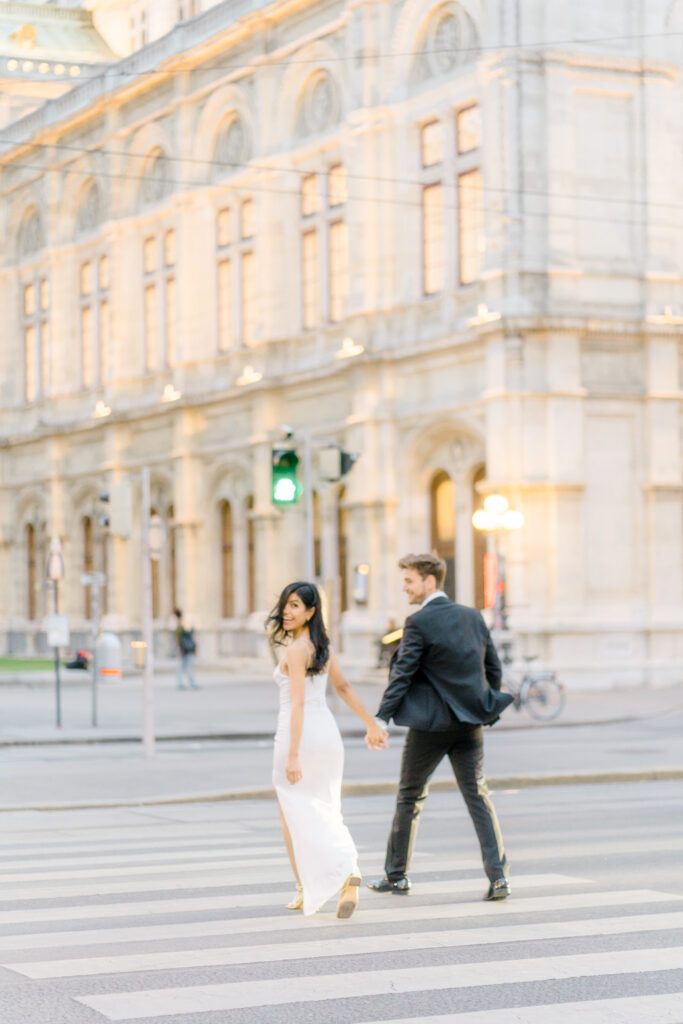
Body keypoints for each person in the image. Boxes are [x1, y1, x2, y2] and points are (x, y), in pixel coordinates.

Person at [367, 553, 514, 901]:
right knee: (478, 796)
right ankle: (499, 878)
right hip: (469, 724)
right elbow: (492, 669)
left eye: (409, 581)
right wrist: (481, 703)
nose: (405, 588)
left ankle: (397, 876)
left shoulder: (419, 622)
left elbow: (402, 673)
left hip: (430, 728)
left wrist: (381, 717)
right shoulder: (472, 616)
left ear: (429, 581)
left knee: (409, 796)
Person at [267, 581, 388, 918]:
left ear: (310, 611)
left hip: (300, 734)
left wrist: (292, 755)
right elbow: (344, 687)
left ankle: (309, 885)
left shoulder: (295, 651)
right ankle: (346, 871)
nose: (287, 612)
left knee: (291, 812)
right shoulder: (322, 646)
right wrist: (371, 724)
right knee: (327, 809)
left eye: (295, 606)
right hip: (327, 735)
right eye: (285, 604)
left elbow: (298, 704)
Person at [174, 608, 198, 690]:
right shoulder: (179, 626)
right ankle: (189, 683)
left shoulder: (179, 626)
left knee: (182, 667)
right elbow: (180, 638)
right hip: (185, 649)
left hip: (184, 649)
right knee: (186, 667)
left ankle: (181, 683)